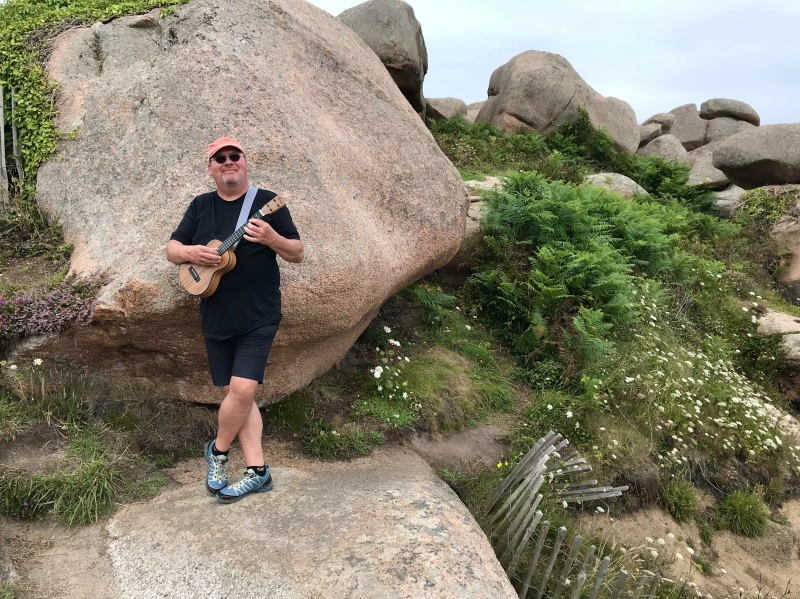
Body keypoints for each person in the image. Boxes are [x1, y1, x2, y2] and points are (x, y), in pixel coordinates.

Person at [167, 136, 304, 504]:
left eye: (234, 155)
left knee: (242, 391)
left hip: (259, 315)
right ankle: (258, 471)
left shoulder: (267, 202)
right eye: (220, 158)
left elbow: (297, 253)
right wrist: (191, 253)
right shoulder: (200, 206)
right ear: (211, 168)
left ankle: (218, 451)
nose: (228, 161)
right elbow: (172, 249)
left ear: (245, 162)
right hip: (216, 316)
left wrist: (272, 237)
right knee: (236, 396)